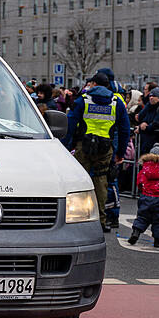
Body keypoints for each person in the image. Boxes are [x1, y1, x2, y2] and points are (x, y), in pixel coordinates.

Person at [62, 72, 130, 232]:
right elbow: (124, 129)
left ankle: (75, 219)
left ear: (93, 84)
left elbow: (70, 124)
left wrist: (64, 147)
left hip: (83, 147)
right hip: (105, 149)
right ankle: (101, 220)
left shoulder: (83, 100)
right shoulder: (116, 102)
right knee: (101, 183)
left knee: (79, 182)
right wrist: (120, 152)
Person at [129, 144, 159, 247]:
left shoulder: (145, 170)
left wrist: (145, 190)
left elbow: (139, 183)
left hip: (146, 197)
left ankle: (136, 233)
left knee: (142, 217)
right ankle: (158, 240)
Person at [135, 88, 159, 155]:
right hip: (146, 141)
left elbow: (156, 123)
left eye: (154, 96)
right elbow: (140, 117)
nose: (151, 98)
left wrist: (143, 128)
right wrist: (143, 123)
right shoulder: (149, 106)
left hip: (156, 141)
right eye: (150, 96)